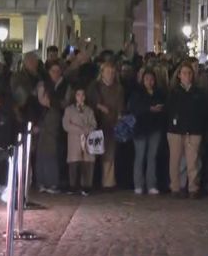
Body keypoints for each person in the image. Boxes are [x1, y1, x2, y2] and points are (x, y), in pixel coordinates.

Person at [166, 63, 206, 197]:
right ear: (179, 75)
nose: (187, 76)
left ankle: (193, 188)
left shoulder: (198, 93)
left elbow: (203, 111)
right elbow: (169, 110)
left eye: (189, 73)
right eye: (184, 73)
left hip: (193, 131)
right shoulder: (173, 92)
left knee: (192, 161)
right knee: (175, 161)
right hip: (176, 131)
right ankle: (175, 187)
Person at [88, 60, 124, 189]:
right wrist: (99, 106)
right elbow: (90, 101)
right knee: (94, 153)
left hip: (111, 124)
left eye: (112, 72)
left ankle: (108, 182)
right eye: (108, 72)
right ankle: (90, 181)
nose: (110, 74)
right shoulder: (95, 86)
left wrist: (119, 117)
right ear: (102, 73)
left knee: (109, 154)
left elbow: (120, 106)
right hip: (97, 123)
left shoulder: (118, 88)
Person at [129, 69, 165, 195]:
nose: (149, 82)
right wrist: (149, 109)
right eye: (147, 79)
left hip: (155, 128)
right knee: (140, 156)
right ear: (143, 80)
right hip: (140, 128)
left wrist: (159, 109)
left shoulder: (159, 93)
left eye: (152, 79)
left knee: (152, 157)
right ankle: (138, 184)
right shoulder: (137, 93)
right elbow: (134, 108)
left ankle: (151, 184)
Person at [62, 86, 98, 195]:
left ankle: (86, 186)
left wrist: (87, 130)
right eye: (78, 95)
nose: (81, 97)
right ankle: (73, 186)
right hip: (74, 140)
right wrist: (79, 130)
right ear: (74, 96)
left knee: (87, 163)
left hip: (87, 140)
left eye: (82, 95)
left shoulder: (89, 110)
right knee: (74, 163)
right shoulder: (69, 110)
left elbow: (94, 124)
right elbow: (66, 125)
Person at [35, 83, 63, 193]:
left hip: (50, 141)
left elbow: (52, 126)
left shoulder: (54, 111)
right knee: (42, 161)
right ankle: (42, 183)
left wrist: (40, 129)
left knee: (50, 162)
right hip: (43, 141)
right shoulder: (45, 110)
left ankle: (52, 184)